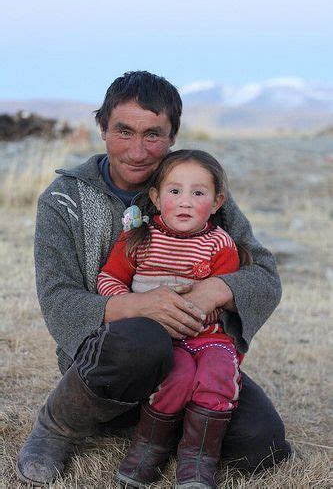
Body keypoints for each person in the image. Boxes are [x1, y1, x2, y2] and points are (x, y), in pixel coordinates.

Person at [16, 71, 290, 486]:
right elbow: (58, 299)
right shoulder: (63, 200)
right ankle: (58, 427)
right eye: (123, 131)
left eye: (153, 135)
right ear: (102, 128)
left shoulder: (196, 190)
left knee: (261, 444)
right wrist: (137, 306)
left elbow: (265, 275)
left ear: (173, 136)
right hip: (111, 355)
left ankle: (158, 418)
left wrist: (217, 289)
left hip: (194, 348)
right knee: (143, 338)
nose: (138, 151)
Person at [97, 149, 249, 488]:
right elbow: (109, 278)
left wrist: (201, 305)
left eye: (198, 193)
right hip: (160, 338)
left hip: (209, 337)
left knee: (217, 377)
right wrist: (133, 304)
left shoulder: (220, 244)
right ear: (155, 196)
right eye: (174, 191)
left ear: (217, 201)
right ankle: (150, 447)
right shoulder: (141, 238)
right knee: (175, 379)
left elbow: (229, 293)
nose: (184, 201)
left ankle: (198, 459)